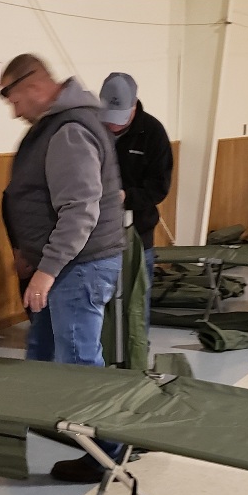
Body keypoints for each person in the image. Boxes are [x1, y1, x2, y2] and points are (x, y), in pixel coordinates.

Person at [0, 54, 126, 483]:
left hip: (79, 266)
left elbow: (80, 211)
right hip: (66, 262)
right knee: (44, 354)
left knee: (78, 364)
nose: (14, 109)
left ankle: (107, 453)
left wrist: (46, 269)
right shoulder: (56, 126)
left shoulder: (69, 129)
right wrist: (30, 251)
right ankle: (72, 430)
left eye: (12, 97)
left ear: (32, 85)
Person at [98, 72, 174, 327]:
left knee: (137, 304)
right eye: (110, 119)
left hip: (139, 235)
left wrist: (126, 197)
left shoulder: (153, 133)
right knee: (100, 306)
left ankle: (137, 358)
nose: (114, 126)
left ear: (134, 105)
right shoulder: (92, 129)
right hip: (97, 235)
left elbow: (159, 187)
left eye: (121, 119)